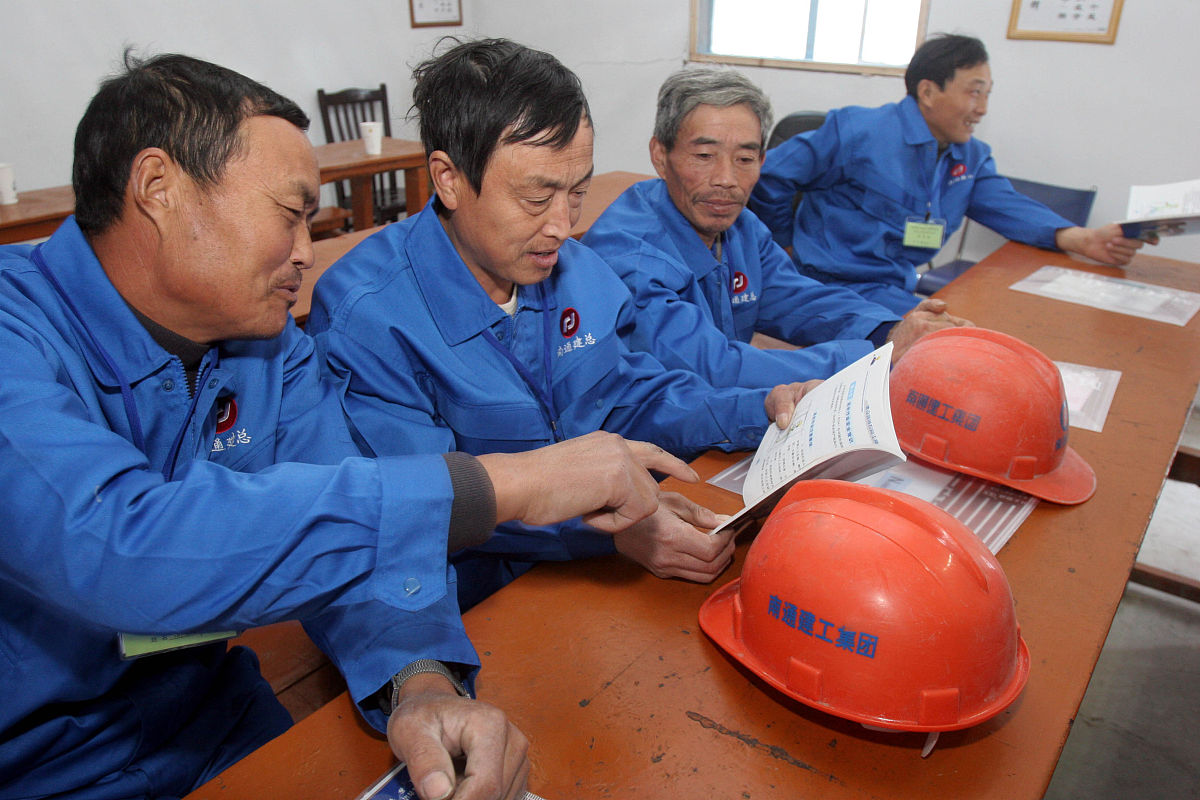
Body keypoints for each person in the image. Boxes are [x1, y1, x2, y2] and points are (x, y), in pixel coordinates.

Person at [0, 52, 704, 800]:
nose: (310, 252)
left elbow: (357, 533)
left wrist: (421, 684)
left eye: (313, 220)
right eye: (289, 214)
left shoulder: (269, 346)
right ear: (158, 188)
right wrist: (506, 483)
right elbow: (122, 549)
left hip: (210, 721)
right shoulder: (18, 334)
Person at [306, 39, 812, 611]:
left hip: (600, 564)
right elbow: (422, 502)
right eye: (536, 196)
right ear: (448, 179)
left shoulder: (577, 272)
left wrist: (756, 409)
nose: (562, 226)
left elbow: (631, 393)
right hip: (456, 599)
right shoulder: (368, 319)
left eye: (576, 192)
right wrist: (610, 531)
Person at [583, 67, 969, 390]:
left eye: (745, 158)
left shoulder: (741, 227)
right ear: (659, 156)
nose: (726, 179)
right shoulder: (629, 255)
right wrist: (876, 356)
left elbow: (801, 300)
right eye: (704, 156)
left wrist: (890, 330)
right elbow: (713, 368)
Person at [748, 33, 1147, 315]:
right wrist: (782, 246)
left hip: (896, 285)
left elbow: (1006, 205)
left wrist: (1082, 238)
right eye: (974, 92)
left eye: (988, 93)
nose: (983, 108)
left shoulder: (969, 155)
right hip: (828, 286)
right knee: (952, 348)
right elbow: (770, 176)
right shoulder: (856, 131)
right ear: (927, 91)